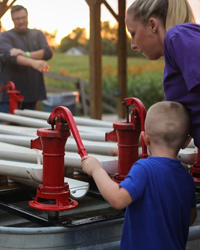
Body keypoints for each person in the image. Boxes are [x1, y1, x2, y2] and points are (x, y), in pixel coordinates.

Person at [82, 101, 197, 250]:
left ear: (144, 138)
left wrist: (97, 170)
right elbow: (190, 218)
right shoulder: (186, 178)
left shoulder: (143, 168)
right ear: (186, 142)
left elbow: (117, 199)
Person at [126, 0, 200, 147]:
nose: (133, 45)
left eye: (133, 33)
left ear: (152, 25)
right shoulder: (176, 48)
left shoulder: (178, 36)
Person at [0, 5, 53, 113]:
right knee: (5, 128)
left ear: (27, 17)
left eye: (23, 17)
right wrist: (33, 63)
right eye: (17, 19)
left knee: (29, 129)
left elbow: (47, 52)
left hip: (32, 94)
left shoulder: (37, 34)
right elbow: (10, 56)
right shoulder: (5, 36)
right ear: (12, 20)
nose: (21, 21)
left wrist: (26, 54)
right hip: (9, 96)